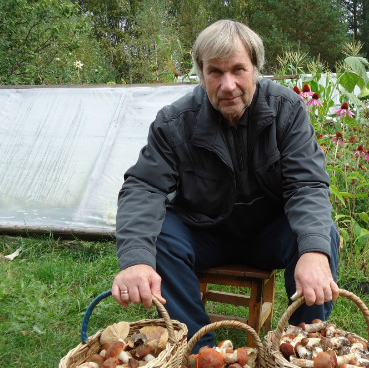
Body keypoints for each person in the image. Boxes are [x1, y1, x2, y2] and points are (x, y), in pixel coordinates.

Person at [111, 19, 340, 349]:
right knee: (159, 236)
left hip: (267, 234)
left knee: (321, 235)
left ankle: (304, 350)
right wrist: (136, 260)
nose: (228, 85)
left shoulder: (287, 110)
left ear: (255, 69)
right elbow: (144, 187)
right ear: (201, 74)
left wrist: (314, 251)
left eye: (238, 70)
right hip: (205, 233)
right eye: (215, 72)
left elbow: (306, 184)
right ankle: (197, 351)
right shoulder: (174, 123)